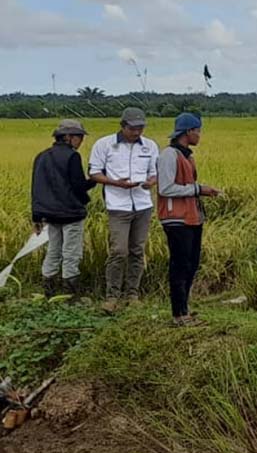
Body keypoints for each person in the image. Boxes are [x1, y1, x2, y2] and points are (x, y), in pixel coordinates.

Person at [88, 107, 159, 312]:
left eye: (140, 128)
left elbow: (154, 173)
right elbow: (94, 173)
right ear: (122, 126)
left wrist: (150, 183)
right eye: (133, 128)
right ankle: (112, 296)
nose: (137, 132)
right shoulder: (105, 144)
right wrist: (115, 183)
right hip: (117, 205)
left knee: (137, 250)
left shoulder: (150, 146)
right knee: (118, 250)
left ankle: (132, 294)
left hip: (142, 204)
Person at [156, 113, 221, 326]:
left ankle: (185, 309)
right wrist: (198, 189)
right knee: (180, 264)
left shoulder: (187, 156)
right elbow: (165, 187)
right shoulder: (169, 155)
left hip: (192, 217)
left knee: (191, 264)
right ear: (188, 132)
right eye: (198, 131)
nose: (200, 135)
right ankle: (178, 314)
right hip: (176, 218)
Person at [31, 120, 96, 297]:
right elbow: (78, 186)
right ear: (68, 137)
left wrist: (36, 216)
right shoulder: (72, 156)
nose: (81, 141)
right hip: (71, 214)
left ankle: (49, 290)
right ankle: (70, 294)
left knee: (53, 250)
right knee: (71, 253)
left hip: (49, 214)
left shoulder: (42, 156)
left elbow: (36, 187)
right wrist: (94, 180)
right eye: (79, 137)